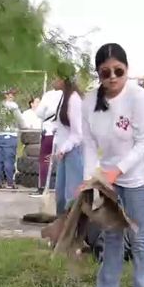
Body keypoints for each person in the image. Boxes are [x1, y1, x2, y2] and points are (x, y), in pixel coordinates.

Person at [81, 43, 144, 287]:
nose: (112, 77)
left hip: (140, 173)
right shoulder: (89, 101)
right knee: (111, 234)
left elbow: (143, 144)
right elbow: (89, 144)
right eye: (105, 72)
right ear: (98, 74)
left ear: (127, 70)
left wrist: (117, 172)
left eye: (118, 71)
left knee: (138, 236)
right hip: (109, 174)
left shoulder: (139, 98)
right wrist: (90, 179)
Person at [45, 63, 84, 215]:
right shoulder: (64, 97)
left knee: (71, 198)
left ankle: (73, 234)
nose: (52, 80)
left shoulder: (74, 99)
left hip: (73, 152)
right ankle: (61, 232)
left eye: (55, 77)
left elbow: (78, 134)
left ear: (63, 79)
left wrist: (64, 148)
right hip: (64, 152)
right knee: (60, 197)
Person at [0, 88, 25, 189]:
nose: (12, 96)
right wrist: (25, 127)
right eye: (10, 94)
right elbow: (20, 120)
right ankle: (10, 182)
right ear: (5, 95)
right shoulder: (13, 106)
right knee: (9, 159)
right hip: (9, 135)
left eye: (12, 94)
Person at [32, 87, 64, 197]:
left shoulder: (49, 95)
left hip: (49, 131)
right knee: (63, 160)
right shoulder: (68, 94)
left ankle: (42, 187)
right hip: (63, 132)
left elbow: (39, 113)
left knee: (45, 159)